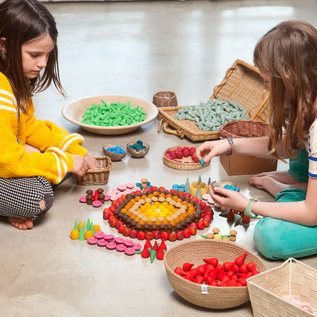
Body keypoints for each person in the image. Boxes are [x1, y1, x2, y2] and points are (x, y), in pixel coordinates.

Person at [196, 20, 317, 260]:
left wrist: (247, 205)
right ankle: (295, 190)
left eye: (267, 83)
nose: (266, 90)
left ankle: (292, 192)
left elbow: (312, 214)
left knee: (270, 236)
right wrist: (230, 145)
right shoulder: (308, 100)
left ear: (288, 78)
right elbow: (291, 144)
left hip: (312, 209)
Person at [0, 0, 98, 230]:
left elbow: (30, 127)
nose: (43, 63)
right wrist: (63, 162)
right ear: (4, 45)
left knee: (54, 162)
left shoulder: (12, 79)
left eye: (47, 54)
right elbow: (8, 162)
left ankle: (12, 202)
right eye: (35, 54)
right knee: (38, 196)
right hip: (5, 161)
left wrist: (74, 151)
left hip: (5, 156)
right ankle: (12, 204)